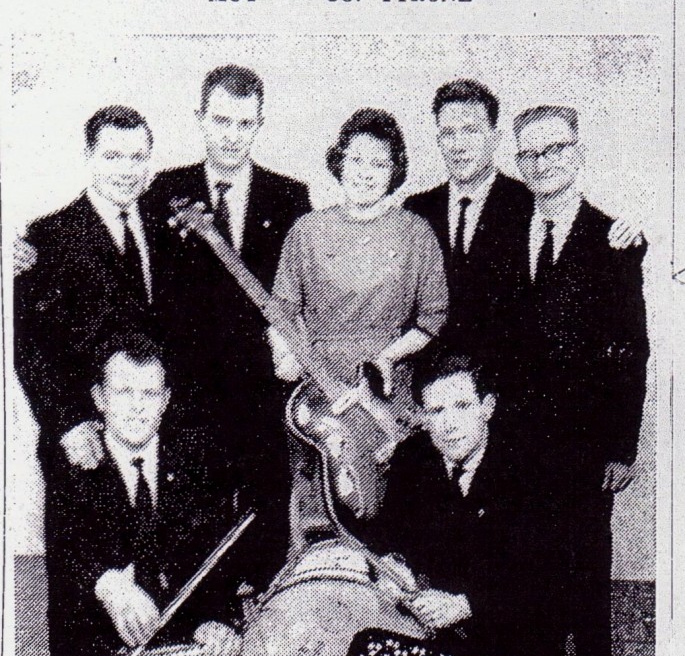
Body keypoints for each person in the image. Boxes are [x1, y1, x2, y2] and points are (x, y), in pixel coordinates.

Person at [496, 104, 649, 656]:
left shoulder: (614, 237)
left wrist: (621, 447)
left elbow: (632, 348)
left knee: (585, 566)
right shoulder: (507, 229)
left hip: (585, 441)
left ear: (578, 153)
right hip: (515, 434)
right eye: (529, 154)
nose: (542, 164)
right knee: (526, 563)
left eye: (554, 149)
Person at [364, 347, 577, 656]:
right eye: (436, 411)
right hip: (434, 615)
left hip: (511, 617)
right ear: (422, 416)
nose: (449, 424)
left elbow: (550, 576)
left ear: (488, 407)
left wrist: (467, 605)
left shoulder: (532, 468)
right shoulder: (412, 458)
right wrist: (391, 565)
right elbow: (387, 533)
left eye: (462, 406)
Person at [144, 65, 310, 571]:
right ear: (200, 118)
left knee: (267, 511)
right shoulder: (162, 190)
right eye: (221, 120)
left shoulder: (290, 196)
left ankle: (263, 607)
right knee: (193, 522)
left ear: (259, 124)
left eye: (244, 123)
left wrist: (292, 346)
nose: (232, 135)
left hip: (262, 386)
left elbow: (303, 290)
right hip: (187, 388)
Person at [44, 333, 250, 656]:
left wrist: (217, 621)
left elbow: (217, 566)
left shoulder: (197, 461)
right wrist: (109, 586)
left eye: (150, 394)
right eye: (123, 392)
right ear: (99, 399)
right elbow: (68, 557)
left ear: (166, 400)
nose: (137, 407)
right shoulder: (72, 469)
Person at [405, 79, 644, 348]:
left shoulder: (529, 200)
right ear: (439, 141)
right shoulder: (417, 209)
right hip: (424, 363)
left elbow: (581, 244)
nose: (458, 145)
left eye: (471, 131)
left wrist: (632, 238)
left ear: (495, 138)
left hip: (503, 367)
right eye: (448, 133)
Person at [15, 106, 170, 470]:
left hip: (161, 440)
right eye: (113, 157)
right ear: (88, 156)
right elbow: (27, 344)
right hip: (85, 440)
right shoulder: (48, 236)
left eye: (137, 157)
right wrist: (67, 422)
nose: (126, 170)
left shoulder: (166, 227)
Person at [271, 107, 448, 399]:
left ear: (394, 171)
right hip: (320, 382)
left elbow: (434, 316)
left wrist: (387, 358)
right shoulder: (306, 230)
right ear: (340, 162)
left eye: (379, 164)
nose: (365, 174)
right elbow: (281, 312)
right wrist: (285, 356)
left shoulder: (416, 232)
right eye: (356, 160)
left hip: (386, 385)